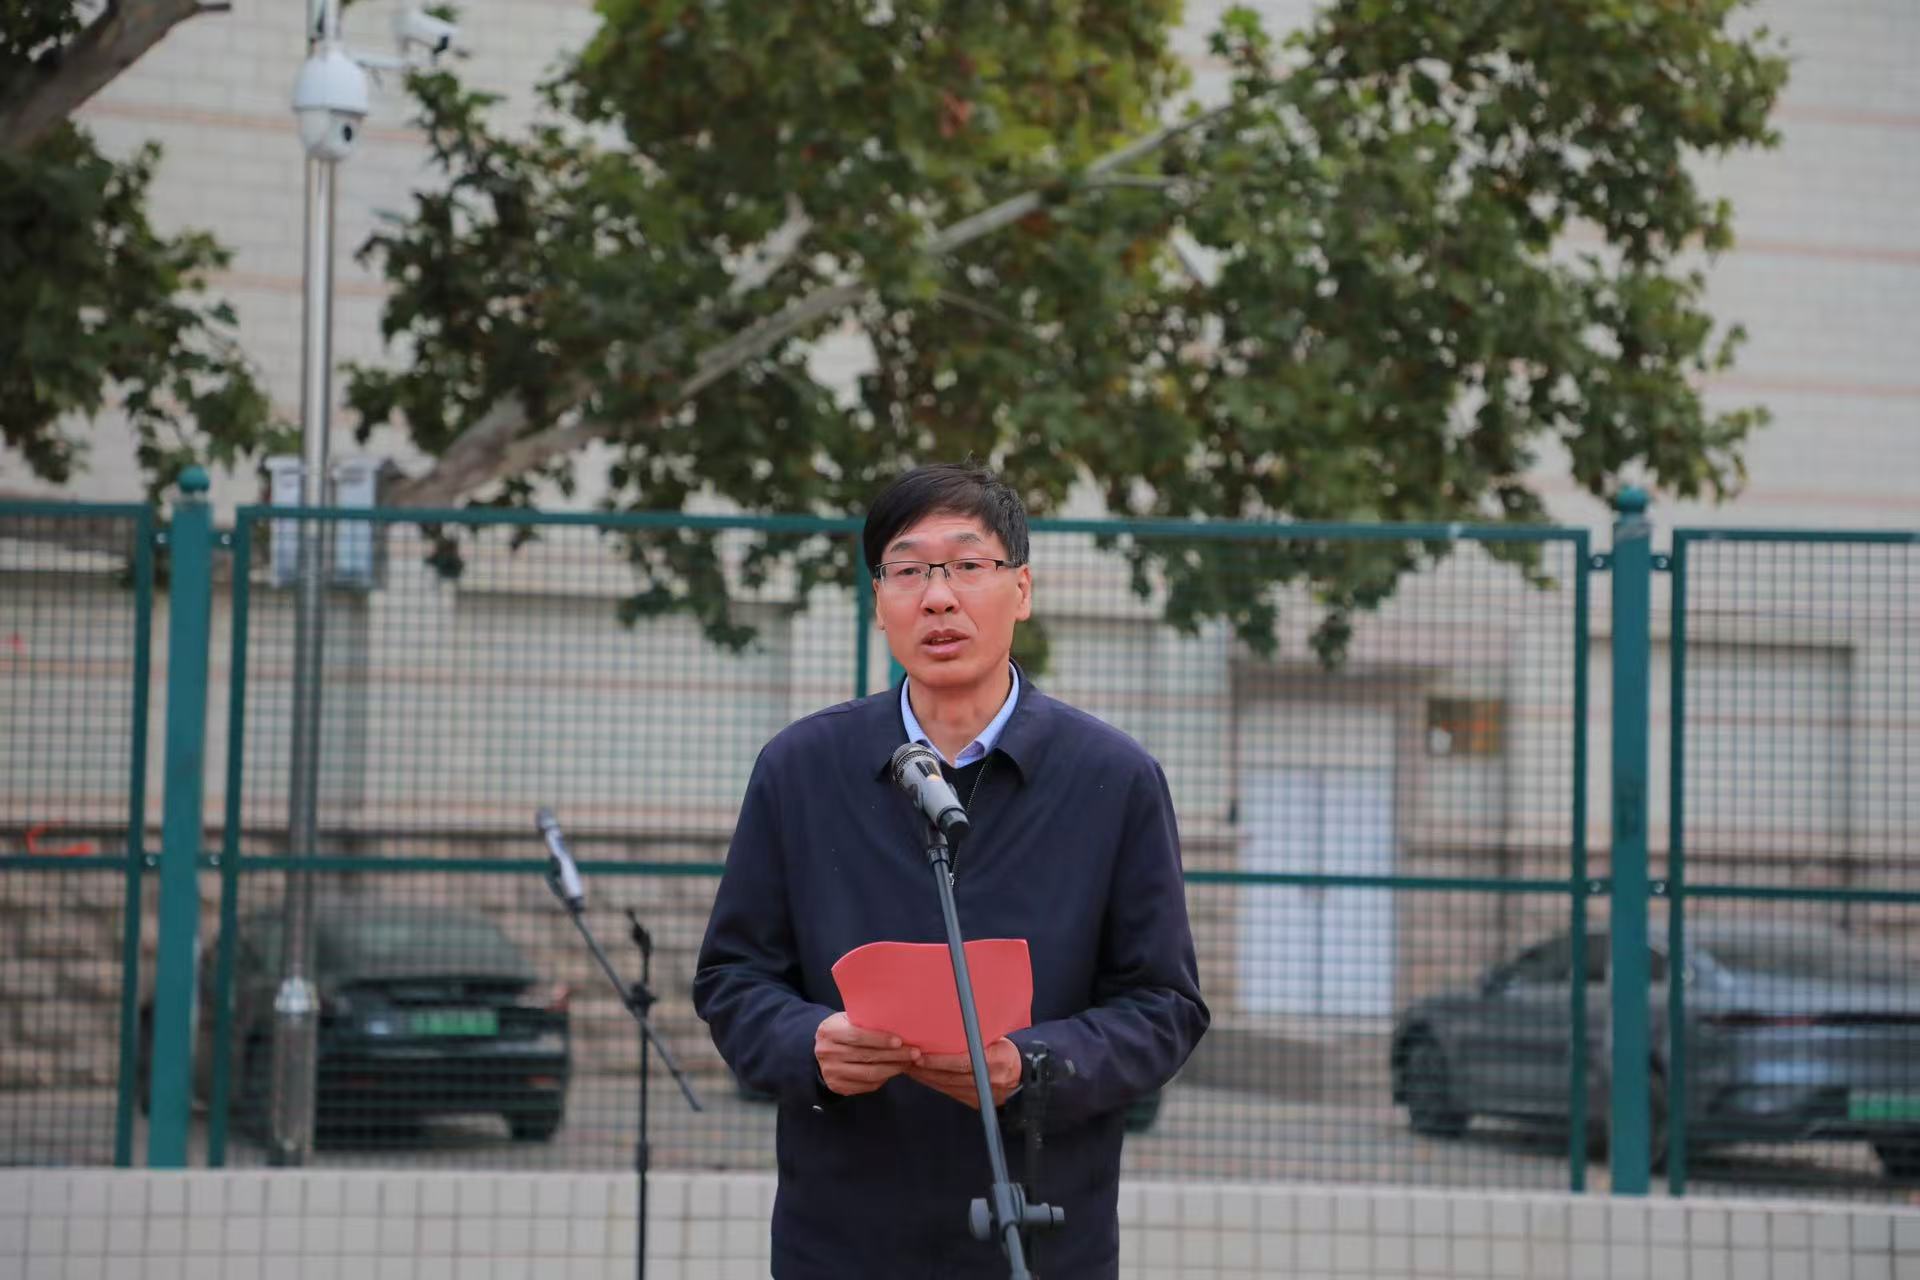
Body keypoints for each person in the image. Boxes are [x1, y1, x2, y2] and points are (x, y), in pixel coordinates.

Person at [692, 462, 1210, 1279]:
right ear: (879, 602)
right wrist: (810, 1046)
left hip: (1040, 1237)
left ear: (1021, 590)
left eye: (968, 565)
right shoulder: (801, 769)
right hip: (843, 1239)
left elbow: (1164, 1006)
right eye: (907, 571)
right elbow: (733, 978)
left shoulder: (1114, 779)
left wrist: (1031, 1068)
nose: (938, 597)